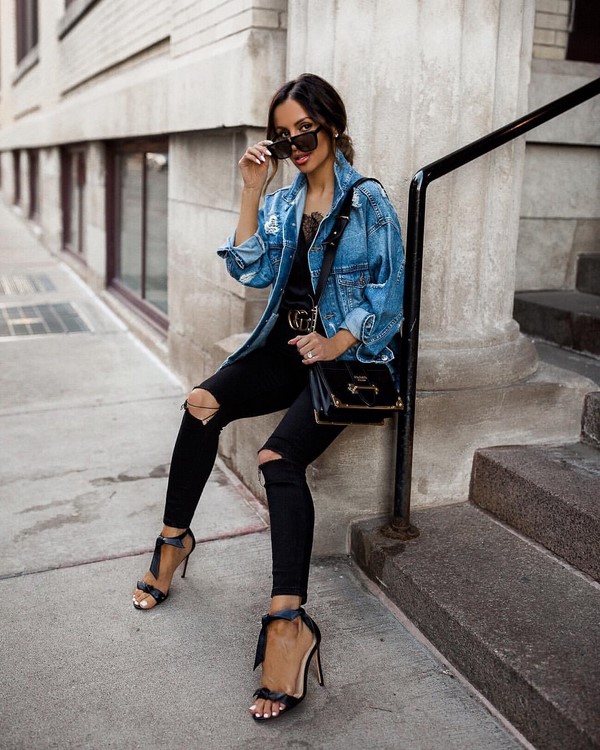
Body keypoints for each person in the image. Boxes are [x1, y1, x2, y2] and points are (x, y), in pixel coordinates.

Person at [132, 73, 405, 721]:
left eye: (305, 130)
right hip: (285, 349)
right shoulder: (283, 203)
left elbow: (388, 298)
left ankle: (289, 625)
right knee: (201, 402)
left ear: (333, 126)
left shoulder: (367, 200)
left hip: (345, 357)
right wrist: (252, 190)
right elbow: (248, 269)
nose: (296, 144)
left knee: (279, 459)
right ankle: (174, 540)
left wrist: (336, 343)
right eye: (283, 136)